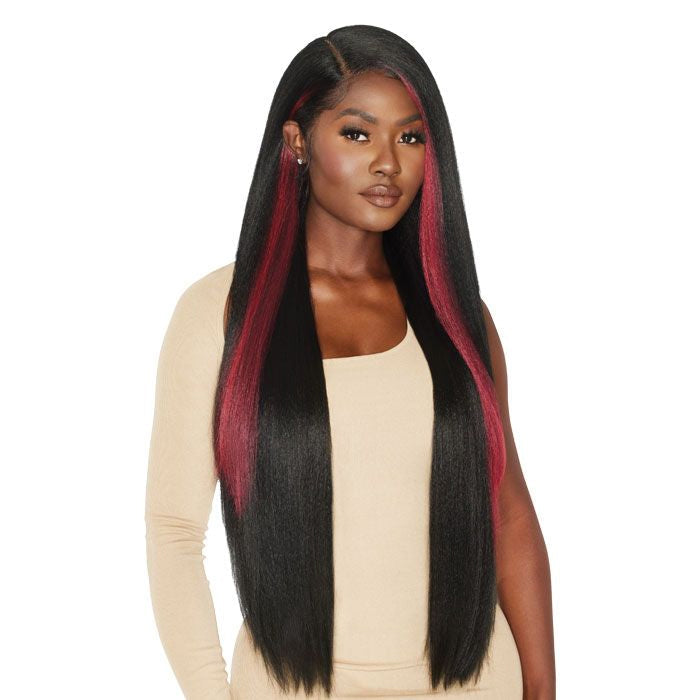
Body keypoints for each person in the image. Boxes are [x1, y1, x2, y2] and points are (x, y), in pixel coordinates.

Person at [145, 24, 555, 700]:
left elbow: (508, 513)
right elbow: (174, 532)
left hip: (474, 683)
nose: (388, 163)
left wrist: (542, 687)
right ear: (297, 142)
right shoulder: (222, 313)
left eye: (411, 138)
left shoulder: (459, 315)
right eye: (358, 134)